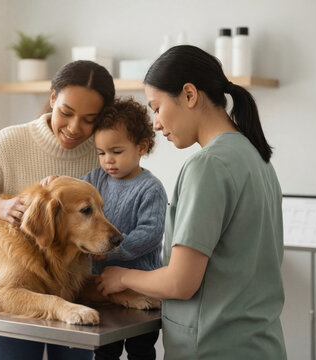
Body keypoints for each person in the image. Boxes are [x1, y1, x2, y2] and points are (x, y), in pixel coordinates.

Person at [97, 45, 287, 360]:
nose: (155, 123)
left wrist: (121, 277)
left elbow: (180, 282)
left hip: (214, 348)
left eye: (156, 108)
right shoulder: (257, 158)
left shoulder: (208, 166)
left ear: (189, 95)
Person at [0, 60, 115, 360]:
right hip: (16, 288)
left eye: (89, 119)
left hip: (74, 287)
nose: (74, 128)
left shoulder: (103, 154)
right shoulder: (10, 142)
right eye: (66, 113)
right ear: (53, 98)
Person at [81, 98, 168, 360]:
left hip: (143, 291)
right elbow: (73, 195)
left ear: (141, 147)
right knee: (105, 350)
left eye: (116, 152)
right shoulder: (96, 179)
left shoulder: (150, 188)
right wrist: (55, 182)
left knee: (140, 351)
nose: (108, 160)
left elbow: (150, 234)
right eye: (101, 152)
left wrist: (110, 250)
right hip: (105, 288)